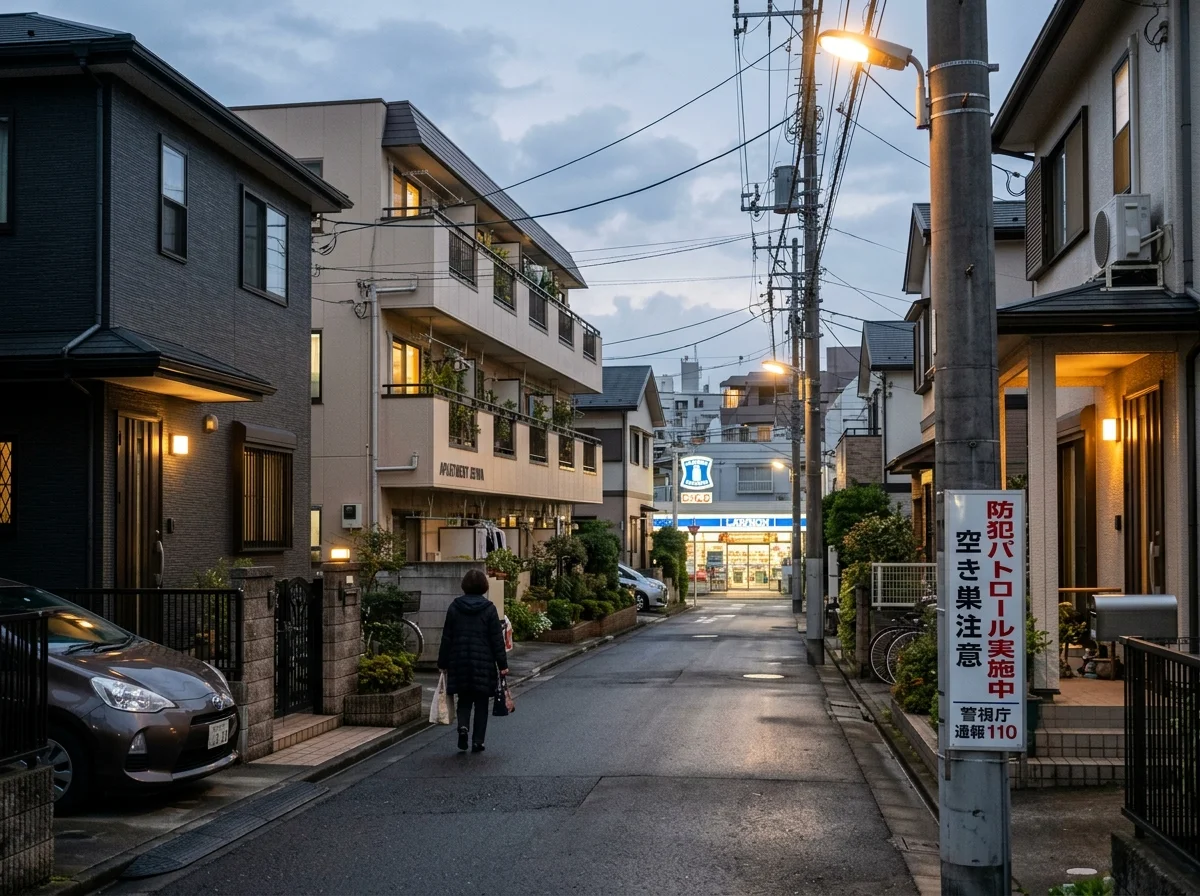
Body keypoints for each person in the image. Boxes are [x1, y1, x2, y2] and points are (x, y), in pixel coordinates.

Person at [437, 569, 509, 753]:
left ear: (465, 585)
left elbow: (447, 637)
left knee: (464, 699)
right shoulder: (489, 608)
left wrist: (442, 662)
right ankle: (478, 741)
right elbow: (496, 640)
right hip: (483, 662)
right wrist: (502, 664)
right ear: (484, 586)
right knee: (482, 702)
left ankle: (463, 727)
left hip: (459, 660)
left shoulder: (454, 607)